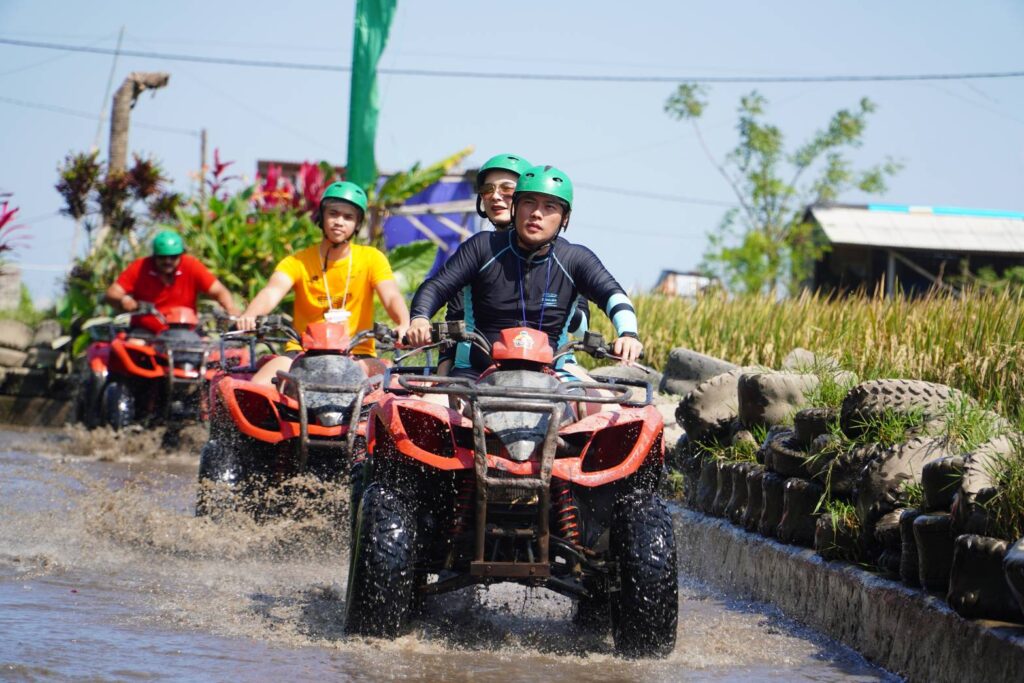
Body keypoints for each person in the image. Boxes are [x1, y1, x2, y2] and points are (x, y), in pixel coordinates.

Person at [406, 165, 641, 379]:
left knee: (612, 413)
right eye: (529, 202)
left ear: (565, 218)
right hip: (475, 374)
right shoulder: (482, 246)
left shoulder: (575, 258)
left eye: (549, 206)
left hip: (554, 373)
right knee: (429, 412)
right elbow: (436, 286)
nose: (537, 213)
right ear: (516, 207)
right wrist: (419, 319)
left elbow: (614, 296)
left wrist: (628, 334)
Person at [237, 181, 410, 385]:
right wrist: (250, 315)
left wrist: (403, 323)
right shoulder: (297, 261)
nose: (339, 221)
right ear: (322, 216)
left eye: (348, 217)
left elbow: (391, 295)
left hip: (358, 353)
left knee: (394, 387)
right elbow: (271, 292)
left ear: (357, 223)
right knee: (258, 387)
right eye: (333, 213)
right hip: (302, 353)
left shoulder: (372, 258)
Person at [439, 154, 591, 375]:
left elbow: (580, 327)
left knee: (598, 402)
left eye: (506, 190)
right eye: (487, 190)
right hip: (480, 368)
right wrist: (440, 376)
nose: (495, 197)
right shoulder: (476, 252)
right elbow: (454, 318)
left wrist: (544, 303)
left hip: (554, 366)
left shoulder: (563, 256)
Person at [106, 229, 240, 319]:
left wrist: (230, 308)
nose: (167, 261)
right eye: (162, 257)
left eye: (173, 257)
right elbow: (113, 292)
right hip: (145, 331)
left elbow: (219, 291)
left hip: (185, 330)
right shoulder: (140, 267)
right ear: (154, 256)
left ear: (181, 255)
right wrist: (125, 300)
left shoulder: (191, 265)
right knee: (131, 349)